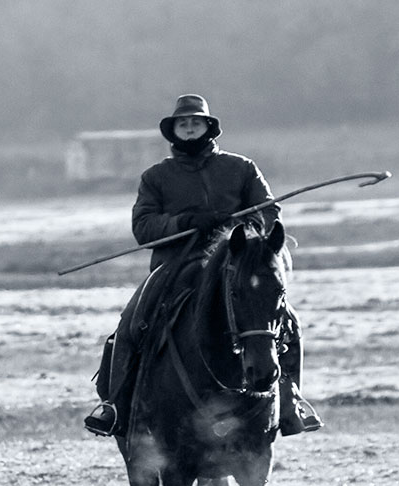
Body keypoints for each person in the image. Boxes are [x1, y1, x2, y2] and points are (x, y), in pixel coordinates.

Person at [84, 94, 323, 438]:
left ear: (209, 127)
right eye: (184, 123)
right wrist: (187, 222)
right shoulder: (156, 177)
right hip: (175, 264)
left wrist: (236, 230)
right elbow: (144, 227)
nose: (190, 127)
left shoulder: (242, 168)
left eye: (196, 122)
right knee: (131, 322)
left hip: (235, 265)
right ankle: (115, 405)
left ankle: (291, 401)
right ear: (174, 131)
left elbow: (270, 213)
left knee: (288, 323)